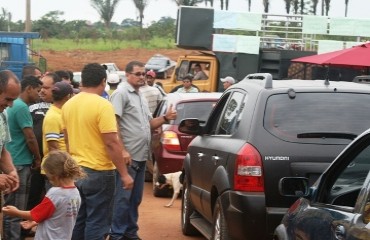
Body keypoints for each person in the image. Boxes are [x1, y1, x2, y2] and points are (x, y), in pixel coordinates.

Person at [61, 62, 134, 240]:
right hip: (99, 171)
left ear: (83, 81)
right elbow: (111, 142)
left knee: (80, 219)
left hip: (77, 169)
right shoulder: (103, 105)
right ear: (103, 81)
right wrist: (124, 174)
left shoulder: (68, 105)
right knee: (98, 222)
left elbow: (67, 139)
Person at [108, 60, 177, 240]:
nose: (142, 77)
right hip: (128, 157)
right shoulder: (121, 94)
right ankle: (117, 234)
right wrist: (122, 150)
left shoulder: (140, 96)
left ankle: (130, 232)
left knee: (135, 199)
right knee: (122, 199)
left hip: (140, 155)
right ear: (128, 75)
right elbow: (113, 124)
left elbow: (149, 124)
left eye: (144, 74)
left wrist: (165, 118)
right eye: (138, 74)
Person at [2, 150, 86, 240]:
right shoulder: (75, 192)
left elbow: (35, 214)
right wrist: (35, 222)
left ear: (55, 176)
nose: (49, 181)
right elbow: (58, 216)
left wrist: (16, 212)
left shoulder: (55, 193)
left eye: (49, 177)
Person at [4, 75, 43, 240]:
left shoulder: (12, 106)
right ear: (29, 89)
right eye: (38, 91)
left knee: (9, 207)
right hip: (20, 163)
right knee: (15, 210)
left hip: (12, 163)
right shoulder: (21, 107)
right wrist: (38, 158)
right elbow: (30, 137)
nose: (39, 95)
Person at [27, 72, 62, 223]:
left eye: (46, 88)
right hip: (34, 160)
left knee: (53, 197)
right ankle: (27, 226)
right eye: (41, 87)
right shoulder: (29, 105)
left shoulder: (62, 108)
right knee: (32, 194)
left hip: (53, 161)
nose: (42, 90)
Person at [42, 82, 73, 190]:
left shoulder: (61, 113)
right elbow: (53, 148)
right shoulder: (53, 117)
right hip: (57, 171)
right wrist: (62, 173)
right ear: (68, 96)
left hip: (62, 169)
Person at [0, 70, 20, 193]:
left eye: (13, 100)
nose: (11, 105)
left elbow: (2, 150)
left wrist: (11, 171)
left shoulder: (3, 115)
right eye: (8, 99)